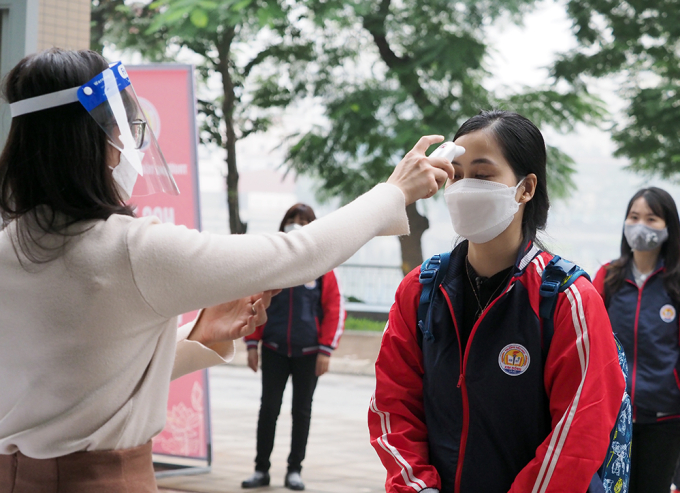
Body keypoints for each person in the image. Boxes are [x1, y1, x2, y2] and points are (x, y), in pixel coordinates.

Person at [0, 48, 453, 491]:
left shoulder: (8, 246)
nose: (124, 152)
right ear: (96, 141)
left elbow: (81, 376)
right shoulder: (130, 249)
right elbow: (300, 252)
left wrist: (199, 335)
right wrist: (394, 193)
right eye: (122, 133)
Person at [368, 110, 627, 493]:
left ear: (525, 188)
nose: (463, 186)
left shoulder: (567, 299)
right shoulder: (420, 290)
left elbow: (579, 434)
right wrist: (418, 487)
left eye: (483, 175)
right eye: (456, 174)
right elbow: (393, 406)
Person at [241, 203, 344, 491]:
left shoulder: (322, 266)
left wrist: (326, 350)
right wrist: (251, 343)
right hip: (273, 350)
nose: (297, 224)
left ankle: (294, 470)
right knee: (268, 410)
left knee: (302, 412)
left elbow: (335, 308)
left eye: (304, 220)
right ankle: (261, 470)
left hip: (309, 355)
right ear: (284, 223)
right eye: (293, 219)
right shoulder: (273, 263)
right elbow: (255, 304)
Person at [593, 187, 680, 493]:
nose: (641, 225)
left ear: (668, 227)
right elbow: (589, 344)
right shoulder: (607, 277)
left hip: (664, 417)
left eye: (652, 218)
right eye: (634, 217)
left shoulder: (676, 284)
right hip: (612, 416)